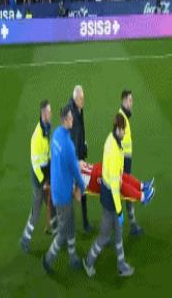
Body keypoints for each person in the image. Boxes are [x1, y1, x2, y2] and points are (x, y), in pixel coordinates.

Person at [83, 113, 135, 278]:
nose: (125, 133)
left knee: (118, 232)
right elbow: (114, 185)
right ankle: (88, 261)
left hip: (109, 194)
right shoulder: (113, 149)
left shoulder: (113, 140)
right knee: (104, 235)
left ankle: (121, 265)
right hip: (110, 197)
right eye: (123, 130)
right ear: (118, 129)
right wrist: (119, 211)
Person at [43, 106, 85, 273]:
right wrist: (81, 187)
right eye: (70, 118)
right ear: (64, 120)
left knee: (70, 223)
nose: (72, 119)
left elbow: (59, 161)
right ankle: (48, 259)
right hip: (63, 194)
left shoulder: (56, 135)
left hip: (56, 189)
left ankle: (73, 257)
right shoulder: (68, 145)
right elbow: (75, 171)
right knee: (63, 231)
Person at [20, 100, 57, 253]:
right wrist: (43, 182)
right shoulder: (36, 136)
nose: (51, 114)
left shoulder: (47, 128)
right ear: (43, 114)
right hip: (39, 179)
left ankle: (56, 232)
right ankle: (25, 239)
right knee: (36, 211)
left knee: (52, 204)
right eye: (49, 112)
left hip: (46, 173)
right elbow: (35, 164)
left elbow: (47, 153)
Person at [68, 85, 93, 233]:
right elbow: (74, 138)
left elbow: (79, 136)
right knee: (75, 192)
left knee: (81, 191)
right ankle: (68, 225)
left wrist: (84, 145)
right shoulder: (73, 114)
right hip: (75, 160)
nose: (83, 101)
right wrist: (78, 160)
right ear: (76, 98)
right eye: (81, 98)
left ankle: (84, 222)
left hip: (79, 156)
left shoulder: (78, 109)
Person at [119, 90, 144, 236]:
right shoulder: (121, 119)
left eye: (132, 100)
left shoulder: (124, 118)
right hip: (122, 164)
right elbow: (117, 142)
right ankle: (126, 225)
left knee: (126, 193)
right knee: (122, 194)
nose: (131, 103)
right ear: (123, 101)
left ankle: (132, 223)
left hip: (125, 162)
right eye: (129, 100)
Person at [79, 160, 154, 204]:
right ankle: (143, 197)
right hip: (93, 179)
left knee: (118, 173)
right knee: (117, 182)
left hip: (94, 169)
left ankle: (141, 186)